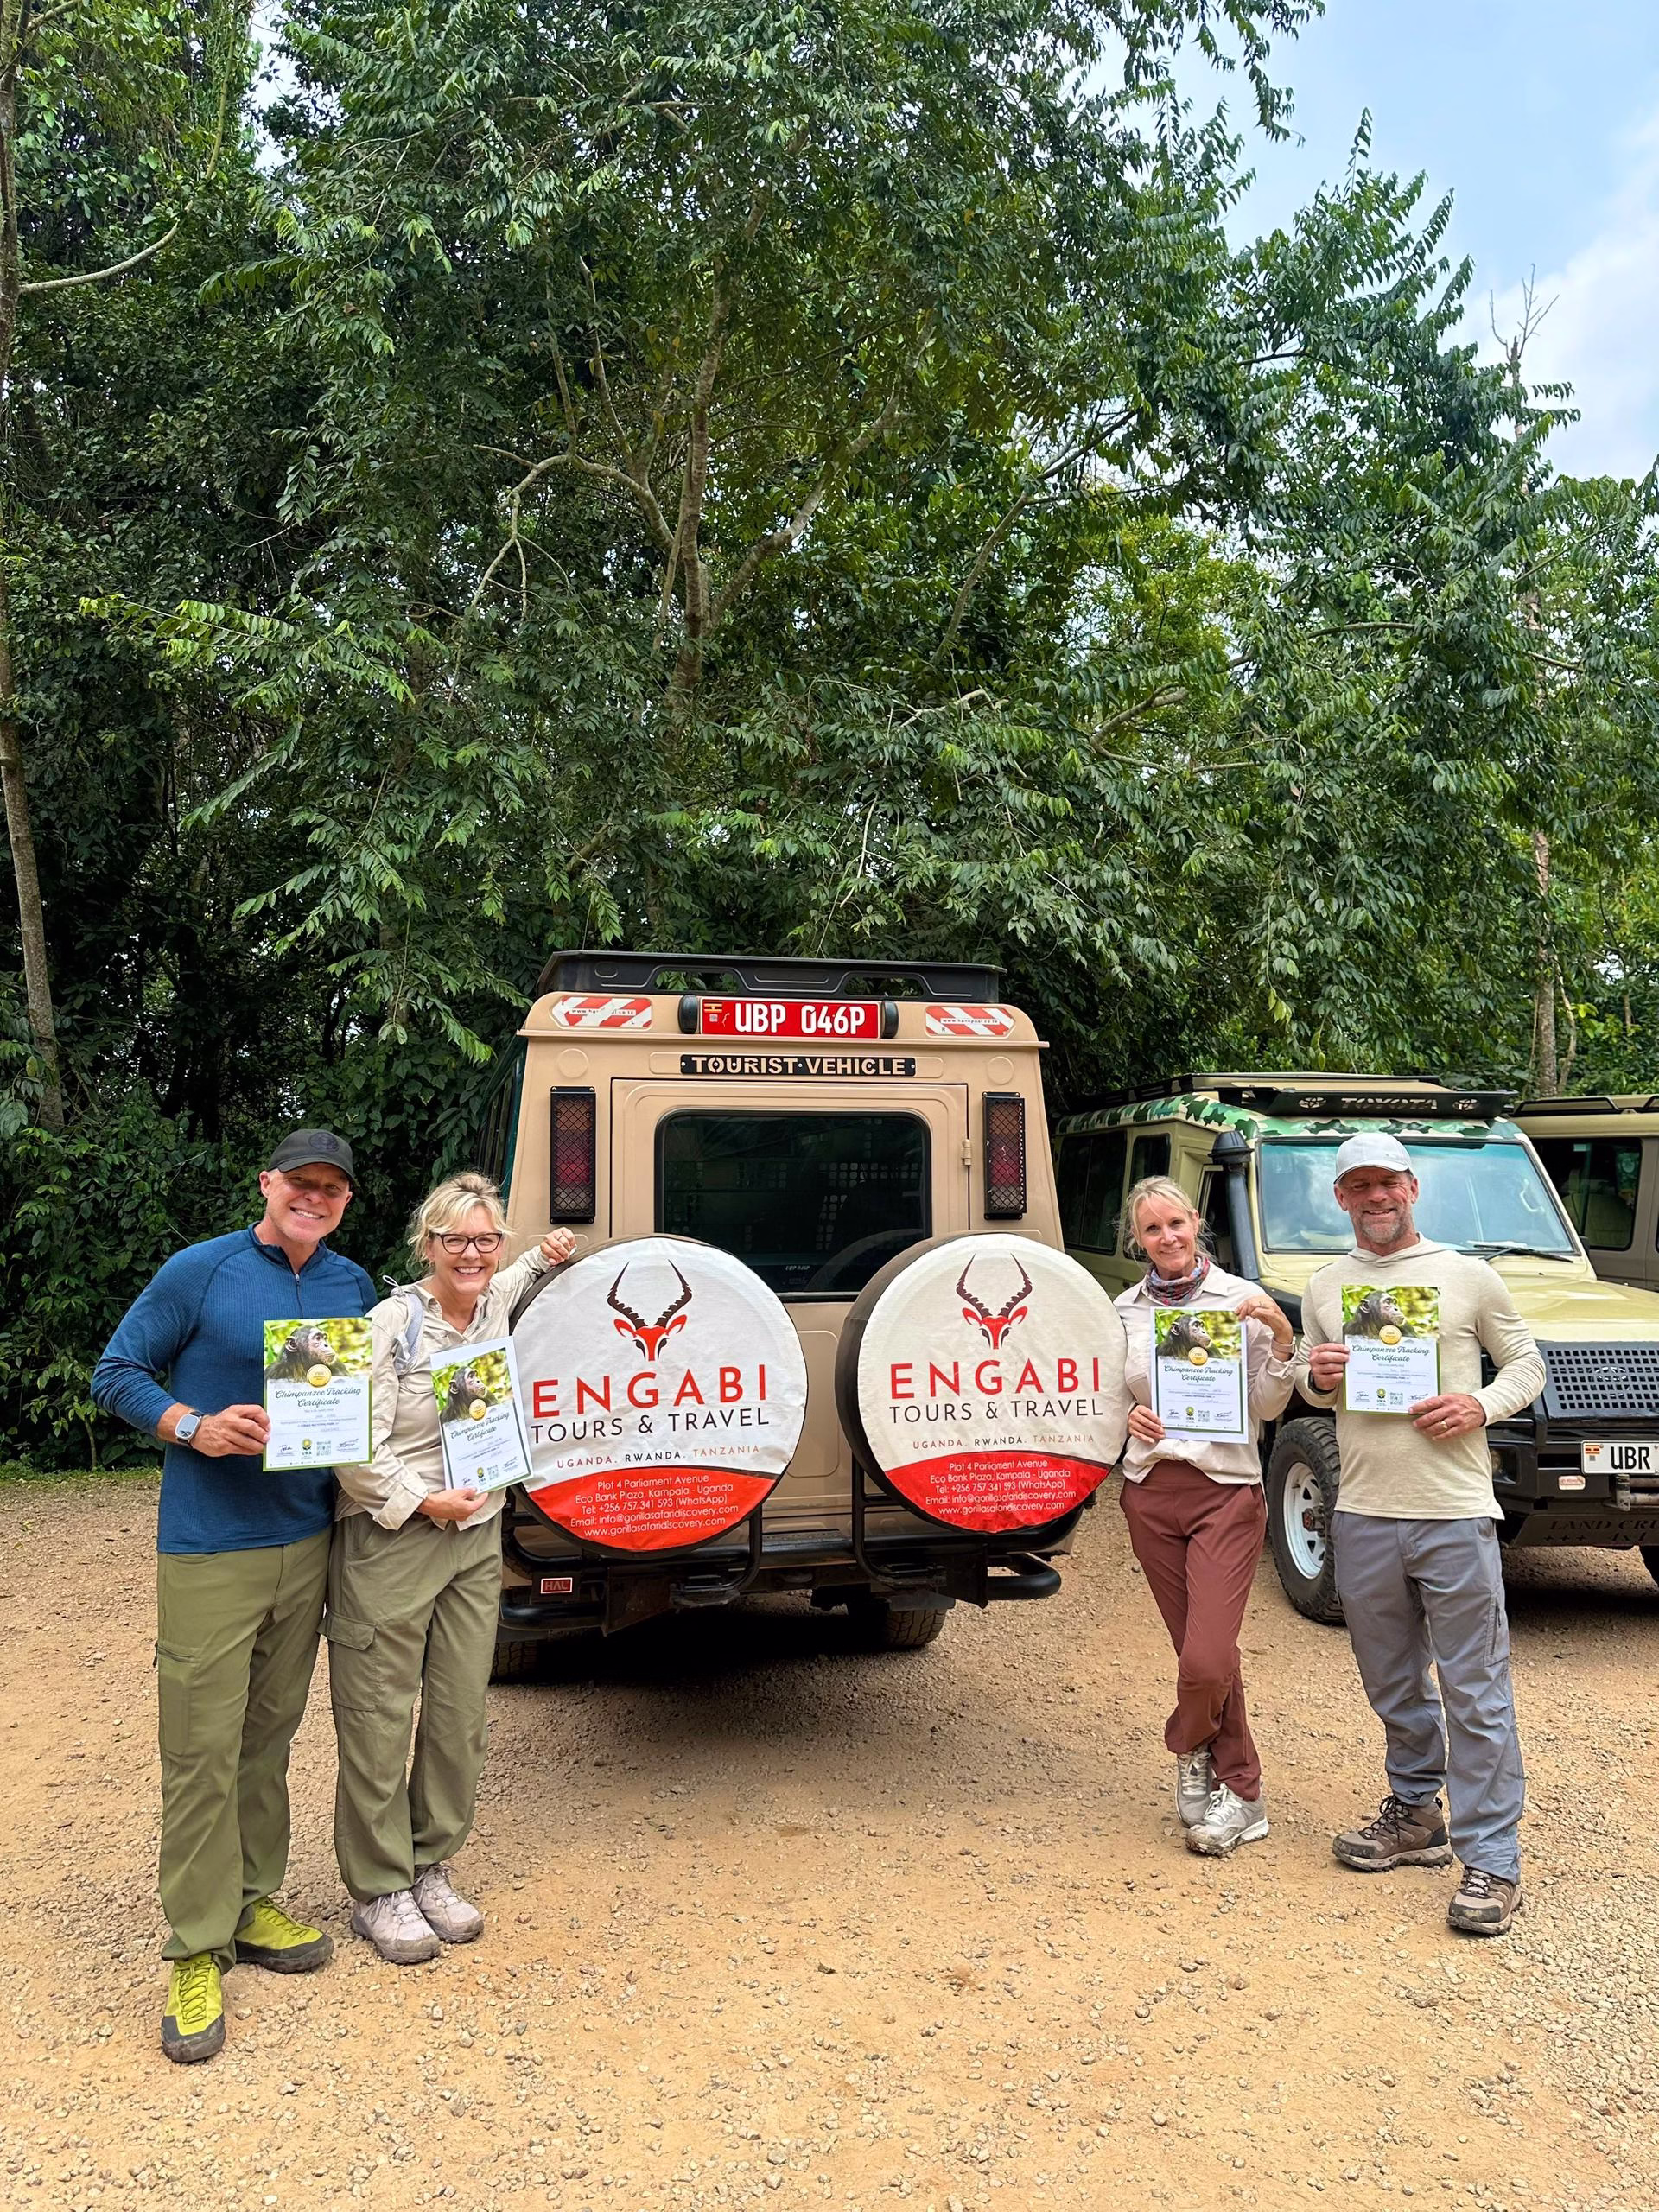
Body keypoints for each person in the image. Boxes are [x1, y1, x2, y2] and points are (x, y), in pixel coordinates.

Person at [92, 1129, 374, 2064]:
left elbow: (372, 1402)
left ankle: (253, 1902)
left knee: (268, 1738)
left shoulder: (351, 1286)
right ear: (269, 1183)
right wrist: (193, 1425)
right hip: (212, 1547)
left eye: (331, 1189)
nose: (315, 1198)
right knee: (200, 1749)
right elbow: (117, 1372)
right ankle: (195, 1944)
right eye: (302, 1183)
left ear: (343, 1201)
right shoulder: (201, 1271)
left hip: (307, 1536)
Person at [1294, 1134, 1545, 1937]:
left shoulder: (1468, 1275)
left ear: (1411, 1186)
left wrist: (1479, 1407)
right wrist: (1316, 1376)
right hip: (1364, 1510)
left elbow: (1526, 1366)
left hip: (1452, 1510)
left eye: (1388, 1183)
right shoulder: (1326, 1285)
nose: (1376, 1198)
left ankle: (1494, 1858)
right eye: (1359, 1186)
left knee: (1475, 1688)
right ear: (1341, 1197)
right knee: (1392, 1680)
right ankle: (1415, 1814)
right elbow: (1306, 1374)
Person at [328, 1173, 575, 1963]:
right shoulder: (388, 1324)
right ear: (425, 1245)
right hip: (398, 1534)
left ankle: (430, 1862)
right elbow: (352, 1451)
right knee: (378, 1714)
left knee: (460, 1710)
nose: (471, 1254)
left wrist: (546, 1254)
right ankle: (378, 1886)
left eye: (484, 1239)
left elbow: (515, 1274)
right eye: (454, 1240)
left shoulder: (494, 1298)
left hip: (475, 1536)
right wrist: (425, 1502)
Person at [1114, 1175, 1297, 1856]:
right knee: (1204, 1656)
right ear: (1138, 1240)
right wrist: (1125, 1416)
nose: (1167, 1238)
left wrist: (1282, 1337)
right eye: (1152, 1230)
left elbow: (1270, 1405)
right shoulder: (1124, 1311)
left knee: (1207, 1656)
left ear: (1196, 1223)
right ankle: (1243, 1792)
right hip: (1151, 1494)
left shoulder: (1240, 1301)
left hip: (1225, 1491)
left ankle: (1189, 1748)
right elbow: (1106, 1401)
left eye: (1176, 1224)